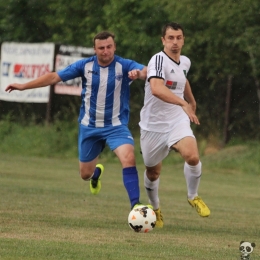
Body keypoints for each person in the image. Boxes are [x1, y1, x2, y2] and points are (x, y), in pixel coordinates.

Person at [5, 31, 148, 210]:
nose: (106, 51)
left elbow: (146, 71)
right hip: (89, 127)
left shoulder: (125, 65)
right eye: (101, 48)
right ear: (95, 50)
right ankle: (95, 174)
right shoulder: (85, 65)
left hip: (116, 126)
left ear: (115, 47)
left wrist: (139, 73)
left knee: (129, 158)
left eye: (109, 47)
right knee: (84, 174)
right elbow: (54, 77)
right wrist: (24, 86)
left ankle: (136, 206)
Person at [139, 22, 210, 228]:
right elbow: (156, 89)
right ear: (163, 40)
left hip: (177, 120)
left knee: (193, 156)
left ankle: (193, 196)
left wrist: (192, 102)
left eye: (179, 38)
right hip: (152, 126)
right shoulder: (158, 60)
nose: (175, 42)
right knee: (153, 172)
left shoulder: (185, 61)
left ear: (184, 39)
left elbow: (183, 80)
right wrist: (183, 103)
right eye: (170, 38)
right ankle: (156, 208)